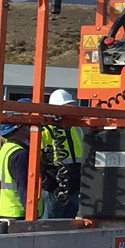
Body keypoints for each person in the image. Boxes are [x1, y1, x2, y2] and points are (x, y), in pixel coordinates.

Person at [40, 88, 85, 219]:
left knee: (67, 226)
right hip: (53, 190)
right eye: (66, 108)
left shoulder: (76, 129)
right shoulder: (46, 130)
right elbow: (38, 160)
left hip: (73, 189)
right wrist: (48, 184)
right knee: (49, 226)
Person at [0, 123, 37, 220]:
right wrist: (31, 213)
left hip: (3, 210)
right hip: (18, 212)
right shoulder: (20, 154)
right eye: (27, 125)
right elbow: (23, 186)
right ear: (18, 128)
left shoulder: (5, 149)